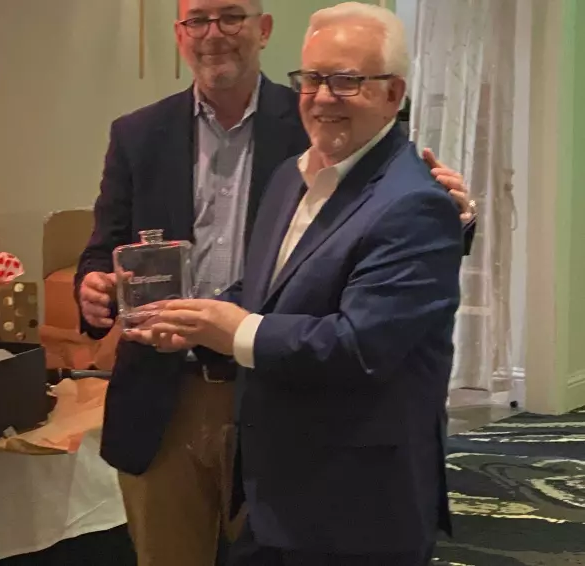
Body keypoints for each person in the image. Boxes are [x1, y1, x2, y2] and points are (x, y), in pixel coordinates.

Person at [75, 1, 471, 565]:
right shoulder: (295, 173)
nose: (325, 96)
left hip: (340, 467)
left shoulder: (367, 167)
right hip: (184, 405)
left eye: (347, 80)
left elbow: (366, 332)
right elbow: (260, 285)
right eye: (313, 79)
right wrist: (181, 318)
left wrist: (231, 329)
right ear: (179, 35)